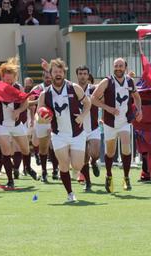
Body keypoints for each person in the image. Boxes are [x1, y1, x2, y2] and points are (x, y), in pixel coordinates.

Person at [37, 58, 91, 202]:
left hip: (77, 133)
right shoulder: (45, 94)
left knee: (77, 165)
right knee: (63, 164)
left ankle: (77, 171)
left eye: (60, 71)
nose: (58, 74)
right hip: (58, 134)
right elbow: (38, 113)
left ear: (64, 73)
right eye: (55, 72)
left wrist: (82, 116)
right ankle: (70, 194)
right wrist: (42, 119)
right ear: (51, 74)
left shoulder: (74, 87)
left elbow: (87, 103)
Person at [91, 58, 142, 193]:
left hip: (124, 121)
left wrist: (139, 110)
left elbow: (137, 97)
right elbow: (93, 98)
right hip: (110, 122)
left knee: (126, 146)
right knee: (110, 151)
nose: (118, 68)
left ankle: (126, 177)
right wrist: (107, 108)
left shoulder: (130, 81)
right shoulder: (107, 81)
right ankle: (109, 175)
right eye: (116, 66)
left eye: (120, 66)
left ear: (125, 67)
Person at [0, 57, 37, 189]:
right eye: (7, 80)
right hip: (1, 124)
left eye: (11, 79)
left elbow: (25, 103)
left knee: (25, 149)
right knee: (6, 151)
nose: (9, 82)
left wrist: (18, 111)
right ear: (2, 77)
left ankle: (28, 168)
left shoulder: (19, 87)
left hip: (17, 124)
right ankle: (10, 180)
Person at [30, 70, 59, 182]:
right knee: (42, 148)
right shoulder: (37, 89)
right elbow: (29, 103)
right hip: (42, 120)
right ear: (42, 77)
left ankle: (55, 170)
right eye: (46, 77)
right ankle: (44, 171)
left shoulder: (58, 89)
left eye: (49, 77)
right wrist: (36, 119)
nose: (48, 79)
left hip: (55, 121)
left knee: (54, 146)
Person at [75, 65, 100, 191]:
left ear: (88, 75)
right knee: (83, 158)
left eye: (85, 73)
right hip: (79, 129)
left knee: (95, 153)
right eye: (80, 73)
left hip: (93, 127)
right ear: (77, 75)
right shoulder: (72, 90)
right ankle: (88, 183)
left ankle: (94, 162)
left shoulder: (94, 89)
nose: (83, 76)